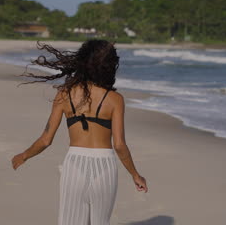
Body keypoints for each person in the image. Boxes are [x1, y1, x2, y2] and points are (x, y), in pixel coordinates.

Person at [11, 39, 147, 225]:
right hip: (105, 166)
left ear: (83, 62)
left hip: (75, 165)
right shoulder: (115, 99)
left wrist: (24, 155)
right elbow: (120, 146)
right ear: (108, 67)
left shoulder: (64, 94)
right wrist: (135, 175)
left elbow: (46, 140)